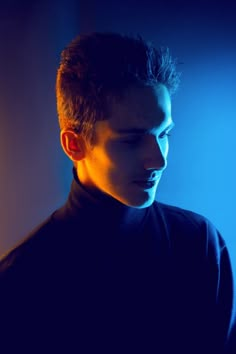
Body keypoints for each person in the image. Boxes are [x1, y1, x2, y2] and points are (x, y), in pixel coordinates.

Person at [0, 32, 235, 354]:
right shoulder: (22, 281)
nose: (159, 160)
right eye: (131, 140)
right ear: (74, 144)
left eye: (164, 134)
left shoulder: (198, 241)